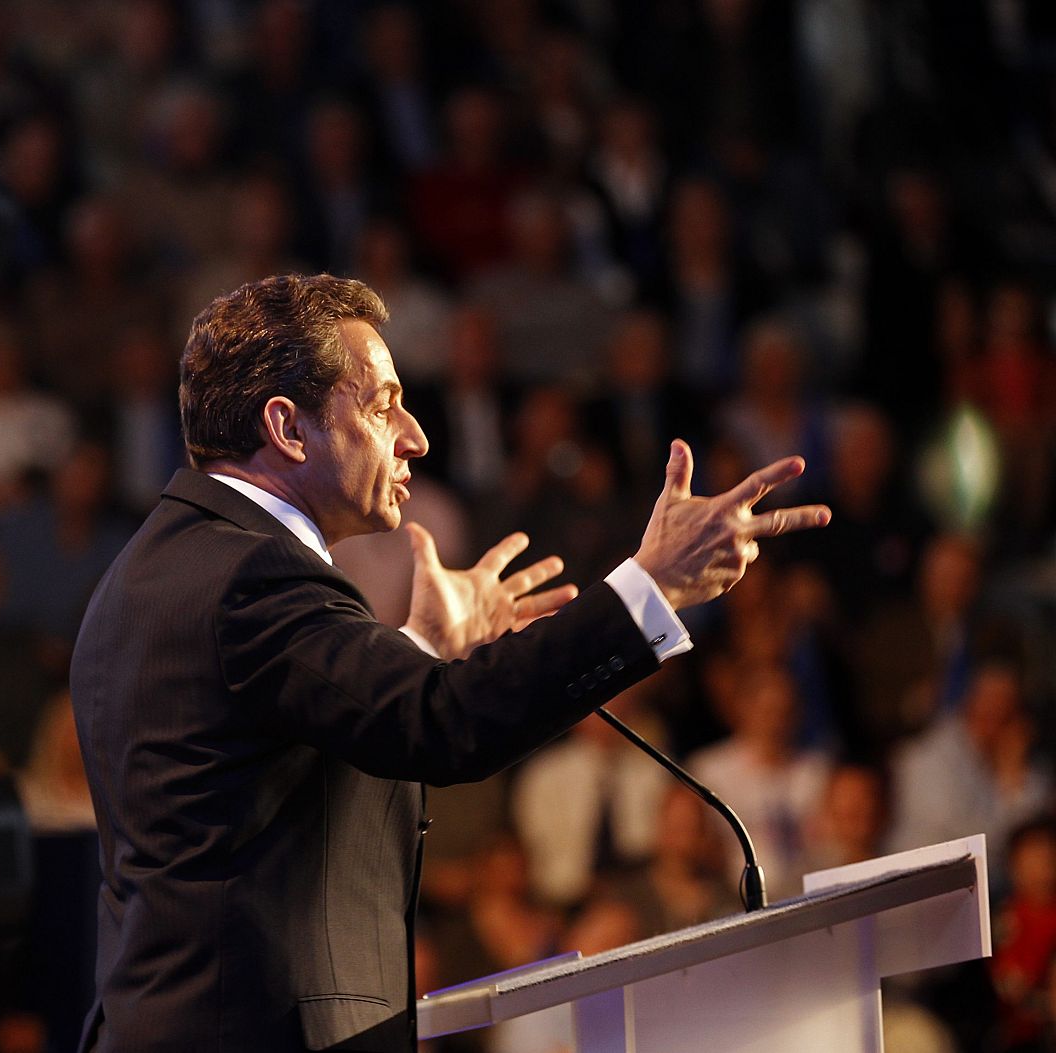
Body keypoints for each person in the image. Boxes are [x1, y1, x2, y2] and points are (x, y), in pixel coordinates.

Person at [69, 274, 828, 1052]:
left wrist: (420, 648)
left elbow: (300, 746)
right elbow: (445, 723)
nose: (415, 436)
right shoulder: (249, 578)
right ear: (288, 429)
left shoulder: (150, 572)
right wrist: (650, 586)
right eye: (380, 404)